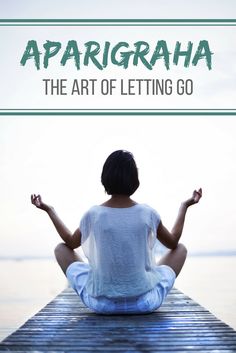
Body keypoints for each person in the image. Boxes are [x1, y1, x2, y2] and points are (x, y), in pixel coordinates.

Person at [31, 150, 202, 314]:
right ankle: (142, 279)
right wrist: (184, 207)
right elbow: (173, 243)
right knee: (181, 249)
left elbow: (69, 242)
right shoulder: (147, 213)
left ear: (105, 179)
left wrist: (50, 210)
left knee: (60, 248)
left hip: (102, 305)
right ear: (135, 180)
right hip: (144, 303)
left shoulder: (94, 214)